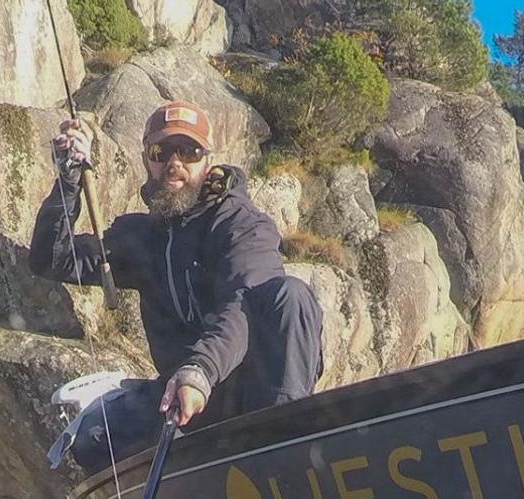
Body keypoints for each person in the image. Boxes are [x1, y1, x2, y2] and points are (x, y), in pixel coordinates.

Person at [29, 99, 324, 438]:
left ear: (208, 161)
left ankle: (285, 446)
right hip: (182, 401)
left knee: (291, 295)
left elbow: (242, 305)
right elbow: (53, 260)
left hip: (250, 394)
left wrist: (200, 371)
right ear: (145, 160)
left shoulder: (242, 225)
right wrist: (68, 181)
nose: (174, 163)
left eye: (189, 152)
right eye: (161, 152)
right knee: (92, 437)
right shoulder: (140, 237)